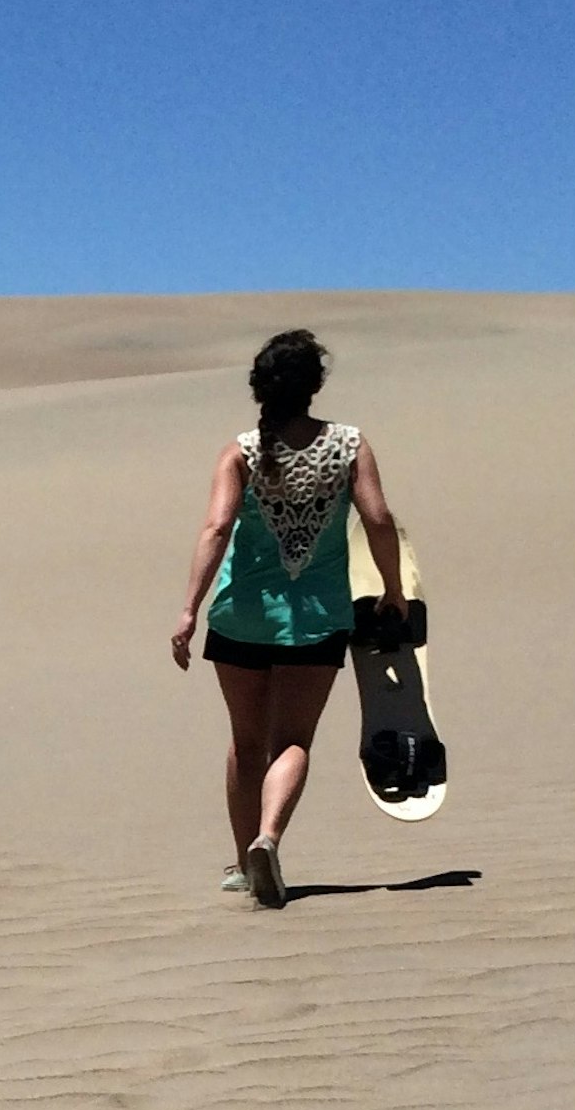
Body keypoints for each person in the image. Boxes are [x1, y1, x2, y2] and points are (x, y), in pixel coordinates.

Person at [168, 329, 402, 909]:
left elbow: (216, 529)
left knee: (246, 742)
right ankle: (268, 838)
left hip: (240, 617)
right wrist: (393, 591)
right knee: (292, 741)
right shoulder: (350, 445)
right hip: (317, 620)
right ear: (314, 386)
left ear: (260, 387)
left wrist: (189, 608)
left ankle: (245, 861)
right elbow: (378, 518)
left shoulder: (240, 451)